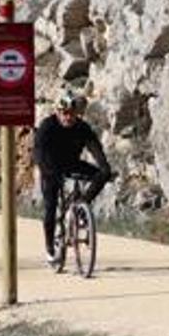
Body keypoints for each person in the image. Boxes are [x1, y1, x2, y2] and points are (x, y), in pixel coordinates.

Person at [32, 92, 112, 264]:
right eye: (64, 113)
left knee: (104, 174)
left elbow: (95, 148)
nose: (68, 117)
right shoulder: (48, 126)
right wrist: (49, 172)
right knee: (51, 207)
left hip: (71, 163)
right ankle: (50, 249)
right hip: (50, 167)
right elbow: (38, 153)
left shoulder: (82, 127)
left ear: (77, 114)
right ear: (58, 112)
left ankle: (81, 205)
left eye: (72, 114)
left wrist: (104, 168)